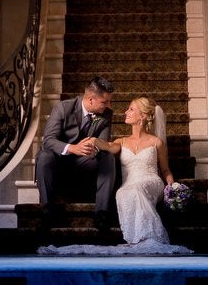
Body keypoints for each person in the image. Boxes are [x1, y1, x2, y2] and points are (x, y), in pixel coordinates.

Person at [40, 94, 193, 255]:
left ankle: (151, 237)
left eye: (131, 109)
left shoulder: (157, 142)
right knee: (123, 192)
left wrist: (172, 185)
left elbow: (165, 170)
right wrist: (93, 140)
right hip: (129, 183)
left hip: (151, 181)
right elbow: (107, 146)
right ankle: (136, 240)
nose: (125, 112)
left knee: (137, 189)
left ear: (143, 116)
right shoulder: (121, 141)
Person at [34, 76, 117, 233]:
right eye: (104, 102)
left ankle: (101, 214)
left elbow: (103, 142)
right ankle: (47, 212)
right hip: (59, 162)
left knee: (108, 157)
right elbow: (49, 140)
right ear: (91, 99)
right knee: (44, 155)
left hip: (85, 162)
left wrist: (94, 147)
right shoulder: (63, 107)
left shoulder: (106, 114)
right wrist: (72, 148)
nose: (108, 106)